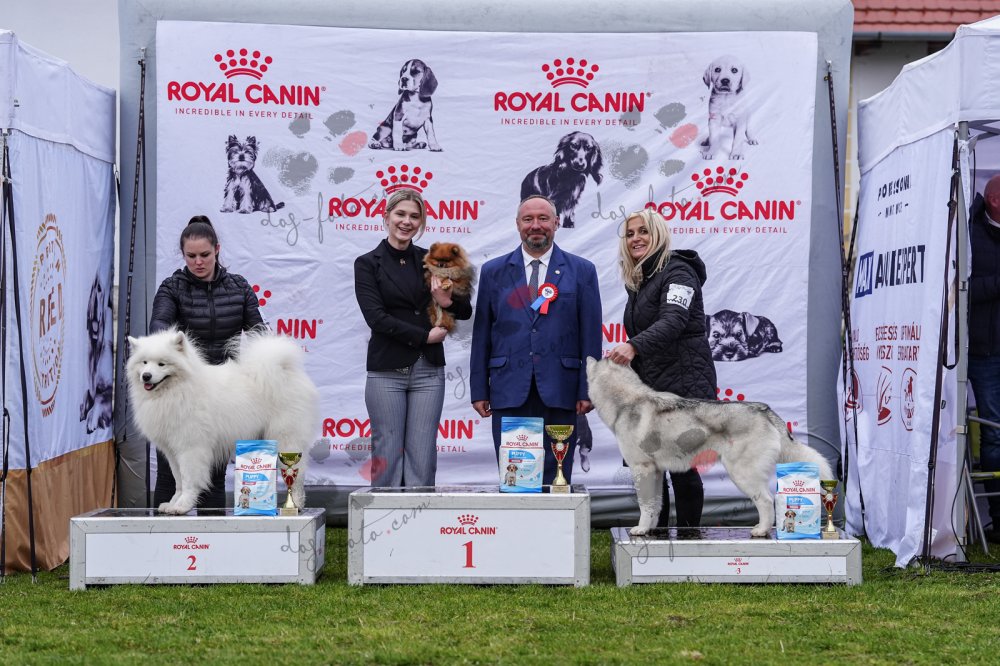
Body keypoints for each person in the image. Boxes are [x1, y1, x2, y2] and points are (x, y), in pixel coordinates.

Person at [470, 194, 602, 485]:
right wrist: (479, 389)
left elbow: (591, 335)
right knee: (516, 479)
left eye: (543, 218)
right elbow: (482, 334)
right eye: (528, 219)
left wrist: (589, 389)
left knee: (556, 479)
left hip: (561, 389)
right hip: (509, 388)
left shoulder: (582, 271)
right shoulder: (493, 271)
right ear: (517, 224)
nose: (536, 225)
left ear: (556, 223)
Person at [354, 189, 472, 487]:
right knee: (387, 452)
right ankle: (384, 515)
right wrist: (424, 337)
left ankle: (420, 514)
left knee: (423, 454)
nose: (407, 221)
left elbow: (465, 310)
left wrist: (444, 300)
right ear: (386, 217)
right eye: (401, 214)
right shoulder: (367, 263)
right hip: (387, 370)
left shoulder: (432, 260)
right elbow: (376, 318)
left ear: (421, 222)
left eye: (414, 216)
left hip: (428, 372)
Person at [607, 208, 716, 528]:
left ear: (658, 234)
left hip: (683, 383)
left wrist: (633, 346)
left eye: (643, 231)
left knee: (682, 467)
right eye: (630, 234)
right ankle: (656, 536)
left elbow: (674, 320)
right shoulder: (642, 279)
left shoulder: (679, 271)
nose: (636, 239)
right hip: (652, 384)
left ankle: (688, 540)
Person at [148, 215, 264, 509]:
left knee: (213, 473)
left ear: (217, 250)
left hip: (223, 394)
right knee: (170, 473)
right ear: (182, 254)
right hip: (179, 395)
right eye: (191, 256)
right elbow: (159, 327)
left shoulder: (239, 287)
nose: (198, 262)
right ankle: (162, 534)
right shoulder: (171, 288)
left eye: (205, 255)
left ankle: (214, 534)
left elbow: (259, 335)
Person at [968, 175, 1000, 539]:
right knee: (993, 433)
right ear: (994, 200)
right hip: (985, 353)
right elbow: (963, 288)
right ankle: (997, 518)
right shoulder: (970, 234)